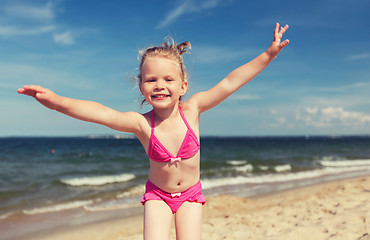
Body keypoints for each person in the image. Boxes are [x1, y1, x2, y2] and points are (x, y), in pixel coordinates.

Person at [17, 23, 289, 240]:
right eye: (151, 80)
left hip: (191, 195)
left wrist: (268, 55)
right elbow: (100, 113)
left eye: (168, 79)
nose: (160, 85)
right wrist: (56, 102)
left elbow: (230, 82)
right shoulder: (141, 124)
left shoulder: (193, 110)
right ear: (141, 87)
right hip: (157, 195)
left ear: (183, 86)